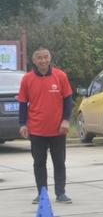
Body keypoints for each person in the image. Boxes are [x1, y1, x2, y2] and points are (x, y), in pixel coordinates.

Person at [17, 47, 73, 204]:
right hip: (36, 130)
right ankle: (42, 193)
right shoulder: (27, 79)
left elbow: (68, 99)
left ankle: (61, 193)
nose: (43, 61)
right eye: (39, 58)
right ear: (34, 61)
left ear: (50, 58)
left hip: (58, 129)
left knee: (59, 162)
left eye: (45, 57)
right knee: (39, 163)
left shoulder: (60, 76)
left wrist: (66, 120)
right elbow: (22, 103)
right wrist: (23, 124)